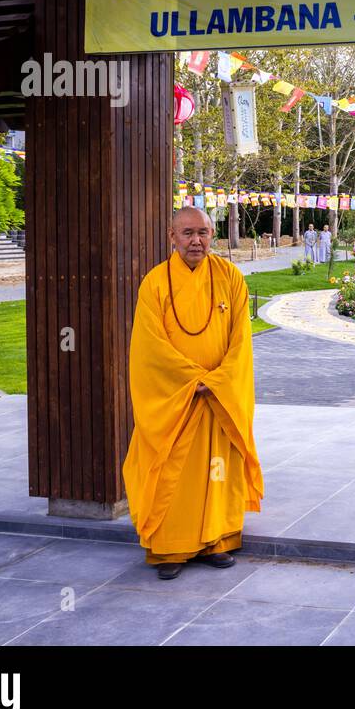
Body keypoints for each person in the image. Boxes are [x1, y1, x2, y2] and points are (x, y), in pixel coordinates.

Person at [123, 207, 264, 580]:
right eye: (187, 233)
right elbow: (148, 347)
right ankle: (169, 548)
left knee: (216, 472)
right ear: (172, 236)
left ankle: (218, 540)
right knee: (173, 470)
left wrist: (217, 381)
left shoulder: (230, 277)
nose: (196, 241)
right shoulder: (154, 283)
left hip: (218, 397)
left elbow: (240, 341)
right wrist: (190, 380)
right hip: (176, 400)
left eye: (203, 233)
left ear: (212, 234)